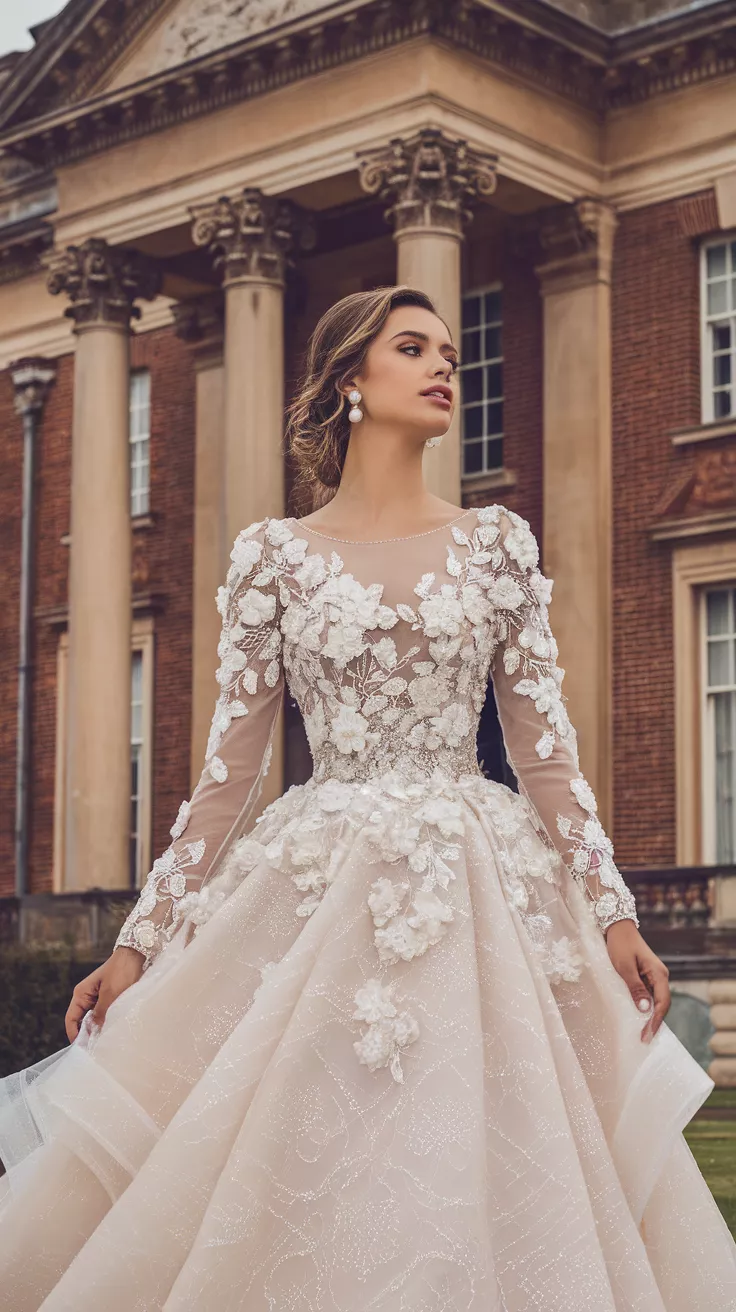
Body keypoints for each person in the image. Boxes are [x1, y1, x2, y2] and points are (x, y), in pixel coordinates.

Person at [0, 285, 734, 1310]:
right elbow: (229, 773)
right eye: (413, 348)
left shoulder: (497, 544)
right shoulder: (273, 557)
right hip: (318, 885)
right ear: (350, 378)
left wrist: (614, 913)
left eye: (449, 352)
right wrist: (139, 942)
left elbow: (544, 751)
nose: (445, 367)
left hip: (482, 888)